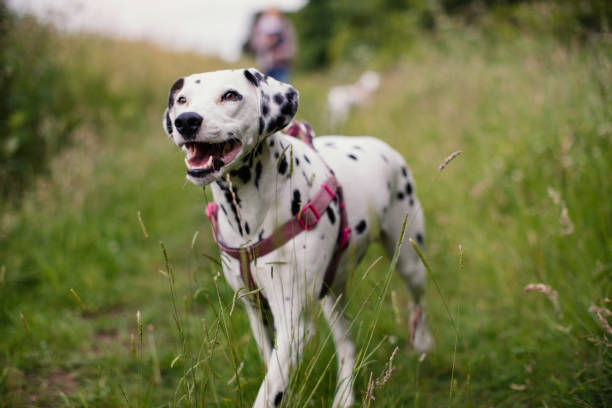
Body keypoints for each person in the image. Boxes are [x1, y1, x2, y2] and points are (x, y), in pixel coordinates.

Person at [248, 8, 296, 82]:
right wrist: (267, 43)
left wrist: (282, 54)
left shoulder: (285, 26)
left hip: (281, 65)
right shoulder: (260, 26)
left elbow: (291, 47)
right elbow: (254, 45)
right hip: (265, 65)